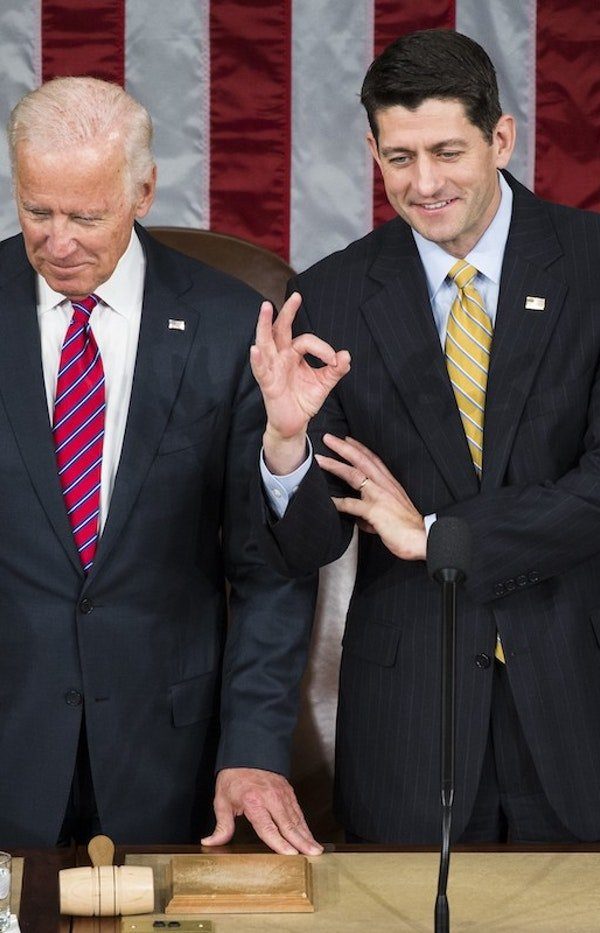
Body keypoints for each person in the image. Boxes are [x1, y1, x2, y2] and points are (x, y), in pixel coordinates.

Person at [252, 29, 600, 843]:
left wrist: (439, 535)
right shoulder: (332, 293)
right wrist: (285, 444)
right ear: (372, 151)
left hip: (576, 697)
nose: (425, 183)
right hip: (409, 725)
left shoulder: (592, 266)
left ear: (501, 138)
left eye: (448, 152)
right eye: (400, 157)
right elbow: (307, 545)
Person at [0, 75, 322, 854]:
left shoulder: (228, 327)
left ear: (142, 192)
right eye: (37, 211)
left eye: (85, 216)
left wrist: (253, 747)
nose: (58, 242)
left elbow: (270, 573)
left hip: (171, 765)